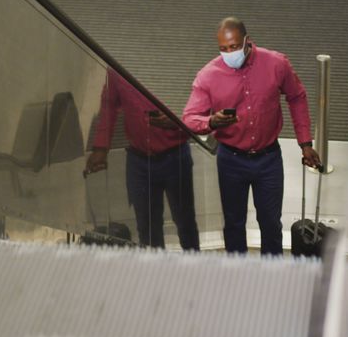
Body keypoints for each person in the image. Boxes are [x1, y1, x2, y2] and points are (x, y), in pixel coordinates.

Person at [183, 17, 321, 255]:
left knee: (270, 222)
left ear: (248, 42)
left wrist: (305, 142)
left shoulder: (276, 64)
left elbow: (297, 96)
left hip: (268, 159)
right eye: (223, 49)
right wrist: (211, 121)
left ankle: (271, 275)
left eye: (234, 47)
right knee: (234, 223)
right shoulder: (208, 75)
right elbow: (189, 118)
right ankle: (240, 274)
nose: (229, 53)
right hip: (231, 160)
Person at [85, 70, 200, 250]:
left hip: (175, 156)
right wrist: (101, 147)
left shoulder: (169, 62)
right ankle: (155, 272)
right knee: (147, 227)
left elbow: (196, 101)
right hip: (138, 161)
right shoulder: (117, 66)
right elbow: (109, 104)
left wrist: (177, 120)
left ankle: (195, 271)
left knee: (185, 221)